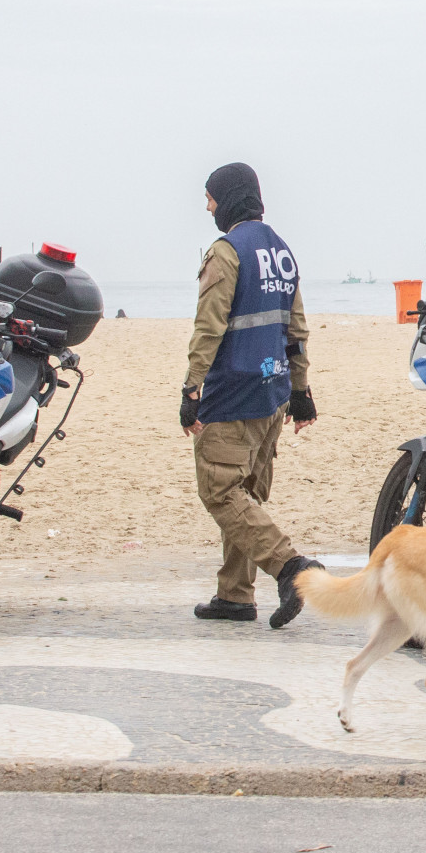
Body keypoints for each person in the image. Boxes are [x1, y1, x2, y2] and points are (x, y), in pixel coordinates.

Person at [182, 163, 323, 628]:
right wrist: (301, 392)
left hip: (233, 392)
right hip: (274, 391)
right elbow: (295, 330)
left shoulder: (226, 251)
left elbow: (210, 326)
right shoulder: (282, 252)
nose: (208, 207)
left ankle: (290, 567)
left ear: (230, 197)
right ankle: (235, 596)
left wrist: (191, 387)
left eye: (211, 197)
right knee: (245, 494)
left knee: (221, 491)